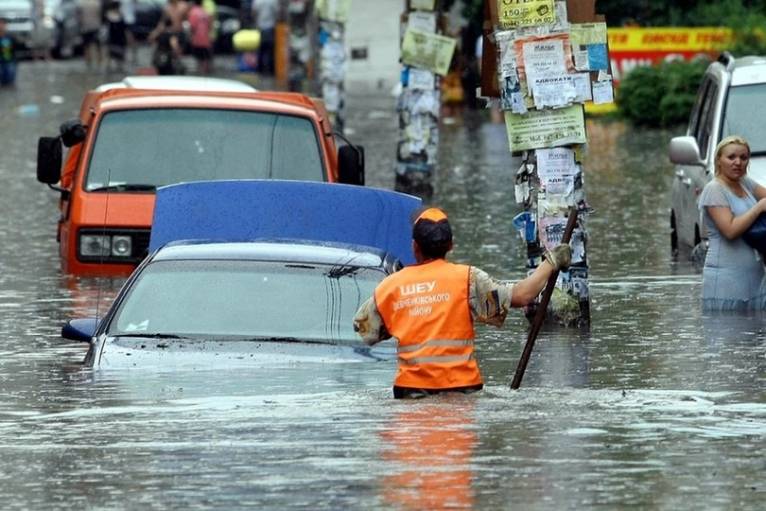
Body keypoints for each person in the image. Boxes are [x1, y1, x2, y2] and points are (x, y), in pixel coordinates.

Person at [353, 207, 572, 399]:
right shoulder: (468, 279)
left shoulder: (390, 286)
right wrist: (550, 262)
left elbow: (364, 331)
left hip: (410, 393)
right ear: (450, 245)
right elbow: (522, 295)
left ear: (414, 247)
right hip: (463, 392)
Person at [699, 135, 766, 311]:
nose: (738, 162)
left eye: (743, 158)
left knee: (753, 336)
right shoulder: (714, 189)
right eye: (731, 157)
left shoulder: (745, 183)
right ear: (719, 160)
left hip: (754, 277)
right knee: (727, 335)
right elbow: (730, 230)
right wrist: (758, 208)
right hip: (725, 280)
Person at [251, 0, 277, 75]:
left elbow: (253, 13)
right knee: (271, 50)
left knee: (261, 50)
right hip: (270, 27)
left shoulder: (257, 1)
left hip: (260, 27)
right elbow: (276, 12)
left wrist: (256, 22)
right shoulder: (273, 1)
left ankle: (260, 70)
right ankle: (271, 70)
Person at [187, 0, 212, 74]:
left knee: (198, 58)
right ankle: (205, 73)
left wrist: (190, 36)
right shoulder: (205, 12)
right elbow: (209, 26)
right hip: (206, 39)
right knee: (205, 57)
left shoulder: (193, 12)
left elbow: (192, 26)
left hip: (197, 39)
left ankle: (200, 73)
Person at [77, 0, 103, 69]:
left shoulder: (81, 4)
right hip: (96, 26)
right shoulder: (97, 3)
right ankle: (99, 62)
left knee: (86, 46)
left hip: (85, 27)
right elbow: (100, 14)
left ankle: (88, 63)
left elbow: (79, 17)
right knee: (98, 46)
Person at [104, 0, 128, 72]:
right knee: (114, 53)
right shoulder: (119, 15)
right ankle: (117, 67)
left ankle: (114, 67)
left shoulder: (109, 16)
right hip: (117, 37)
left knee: (113, 53)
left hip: (116, 37)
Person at [0, 18, 17, 86]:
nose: (1, 26)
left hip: (9, 59)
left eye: (2, 24)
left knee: (10, 78)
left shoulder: (10, 37)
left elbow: (15, 47)